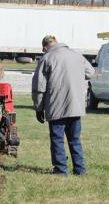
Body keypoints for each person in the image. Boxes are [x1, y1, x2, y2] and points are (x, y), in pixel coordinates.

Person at [32, 35, 95, 176]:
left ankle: (61, 170)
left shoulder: (47, 58)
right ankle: (79, 169)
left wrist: (38, 108)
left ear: (46, 46)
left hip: (56, 106)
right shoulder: (77, 56)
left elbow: (39, 86)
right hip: (76, 106)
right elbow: (90, 73)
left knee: (57, 139)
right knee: (75, 139)